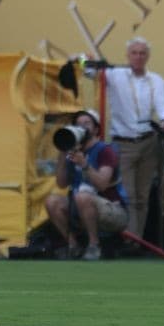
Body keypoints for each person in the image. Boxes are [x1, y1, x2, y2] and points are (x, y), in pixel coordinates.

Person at [103, 37, 164, 241]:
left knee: (142, 196)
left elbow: (163, 109)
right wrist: (82, 59)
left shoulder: (156, 80)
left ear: (148, 56)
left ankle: (135, 240)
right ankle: (126, 237)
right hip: (123, 143)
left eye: (142, 53)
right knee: (126, 194)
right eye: (134, 53)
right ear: (127, 56)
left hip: (148, 142)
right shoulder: (114, 75)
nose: (138, 57)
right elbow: (89, 70)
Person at [43, 109, 128, 261]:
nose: (82, 127)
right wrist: (63, 154)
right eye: (78, 124)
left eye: (86, 123)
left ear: (96, 129)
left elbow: (102, 184)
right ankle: (73, 246)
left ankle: (94, 246)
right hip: (81, 208)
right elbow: (61, 183)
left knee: (82, 197)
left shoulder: (105, 150)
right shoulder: (73, 151)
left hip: (113, 210)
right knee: (52, 201)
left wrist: (85, 165)